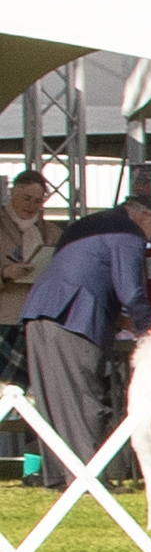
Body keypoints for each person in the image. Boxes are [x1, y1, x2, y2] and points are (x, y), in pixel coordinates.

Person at [15, 194, 151, 483]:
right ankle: (88, 477)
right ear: (146, 218)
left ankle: (57, 476)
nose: (149, 241)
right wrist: (150, 324)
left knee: (51, 401)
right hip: (75, 317)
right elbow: (130, 290)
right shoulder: (127, 232)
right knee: (83, 398)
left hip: (41, 312)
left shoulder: (88, 224)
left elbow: (85, 271)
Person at [0, 169, 53, 405]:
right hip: (4, 320)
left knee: (35, 399)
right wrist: (5, 273)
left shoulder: (50, 232)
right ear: (12, 193)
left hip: (37, 320)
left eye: (37, 200)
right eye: (26, 198)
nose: (31, 205)